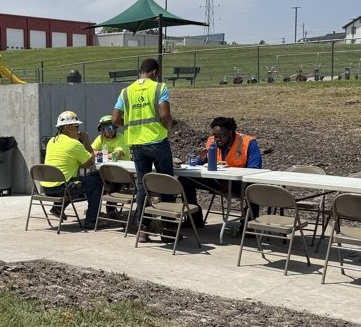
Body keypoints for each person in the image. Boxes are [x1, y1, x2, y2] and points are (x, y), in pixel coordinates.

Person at [111, 58, 172, 239]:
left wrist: (129, 123)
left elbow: (114, 120)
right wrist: (167, 127)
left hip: (136, 144)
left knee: (142, 186)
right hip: (157, 140)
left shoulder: (126, 91)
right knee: (166, 183)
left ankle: (142, 230)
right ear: (154, 72)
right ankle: (168, 230)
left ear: (141, 71)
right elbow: (164, 114)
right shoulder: (159, 88)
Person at [180, 117, 263, 224]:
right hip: (216, 181)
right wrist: (201, 159)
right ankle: (194, 219)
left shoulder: (248, 143)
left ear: (231, 132)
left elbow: (255, 170)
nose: (217, 139)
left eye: (221, 135)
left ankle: (249, 223)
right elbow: (198, 165)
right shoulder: (211, 142)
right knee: (185, 179)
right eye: (215, 135)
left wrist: (232, 178)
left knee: (253, 187)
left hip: (238, 183)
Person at [42, 110, 103, 229]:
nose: (79, 130)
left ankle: (58, 208)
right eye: (76, 127)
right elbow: (91, 161)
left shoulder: (51, 141)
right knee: (96, 183)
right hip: (62, 187)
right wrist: (86, 140)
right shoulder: (74, 144)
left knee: (86, 179)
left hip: (46, 186)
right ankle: (92, 220)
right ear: (68, 128)